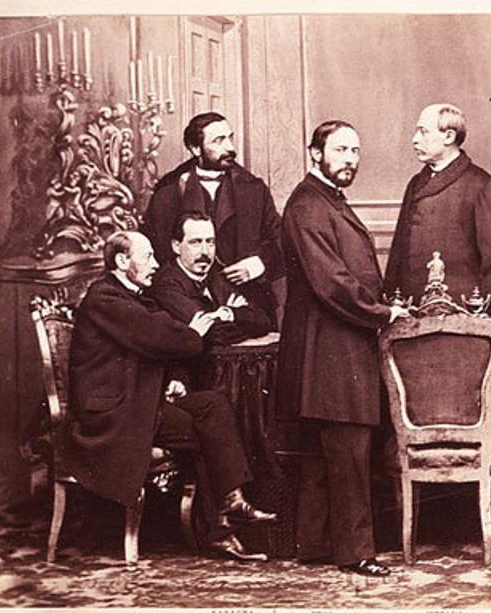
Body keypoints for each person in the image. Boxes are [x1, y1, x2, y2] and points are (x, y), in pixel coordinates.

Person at [62, 231, 275, 561]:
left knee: (213, 405)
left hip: (138, 400)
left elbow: (166, 337)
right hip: (111, 415)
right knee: (206, 431)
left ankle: (232, 501)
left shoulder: (133, 295)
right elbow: (166, 337)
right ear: (122, 261)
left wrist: (175, 374)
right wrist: (193, 332)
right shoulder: (105, 298)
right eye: (148, 257)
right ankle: (219, 531)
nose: (155, 264)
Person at [276, 120, 409, 577]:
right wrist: (382, 313)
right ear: (315, 153)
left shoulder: (324, 200)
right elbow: (330, 282)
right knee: (349, 450)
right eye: (340, 150)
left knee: (325, 454)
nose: (350, 159)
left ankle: (314, 544)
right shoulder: (308, 206)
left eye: (355, 150)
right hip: (329, 348)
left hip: (330, 346)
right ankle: (355, 552)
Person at [143, 112, 285, 324]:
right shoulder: (169, 192)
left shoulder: (254, 189)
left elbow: (281, 240)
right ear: (195, 149)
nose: (230, 147)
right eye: (218, 141)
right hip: (187, 306)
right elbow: (158, 252)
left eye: (230, 138)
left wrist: (257, 264)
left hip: (249, 304)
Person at [384, 103, 491, 313]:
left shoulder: (484, 187)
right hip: (412, 311)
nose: (415, 139)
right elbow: (398, 253)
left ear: (449, 136)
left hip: (459, 314)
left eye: (423, 131)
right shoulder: (416, 183)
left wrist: (487, 315)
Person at [149, 212, 273, 355]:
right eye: (195, 242)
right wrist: (240, 316)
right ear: (177, 246)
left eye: (210, 242)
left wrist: (228, 313)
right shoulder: (166, 284)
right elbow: (215, 334)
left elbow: (263, 321)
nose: (205, 252)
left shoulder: (216, 275)